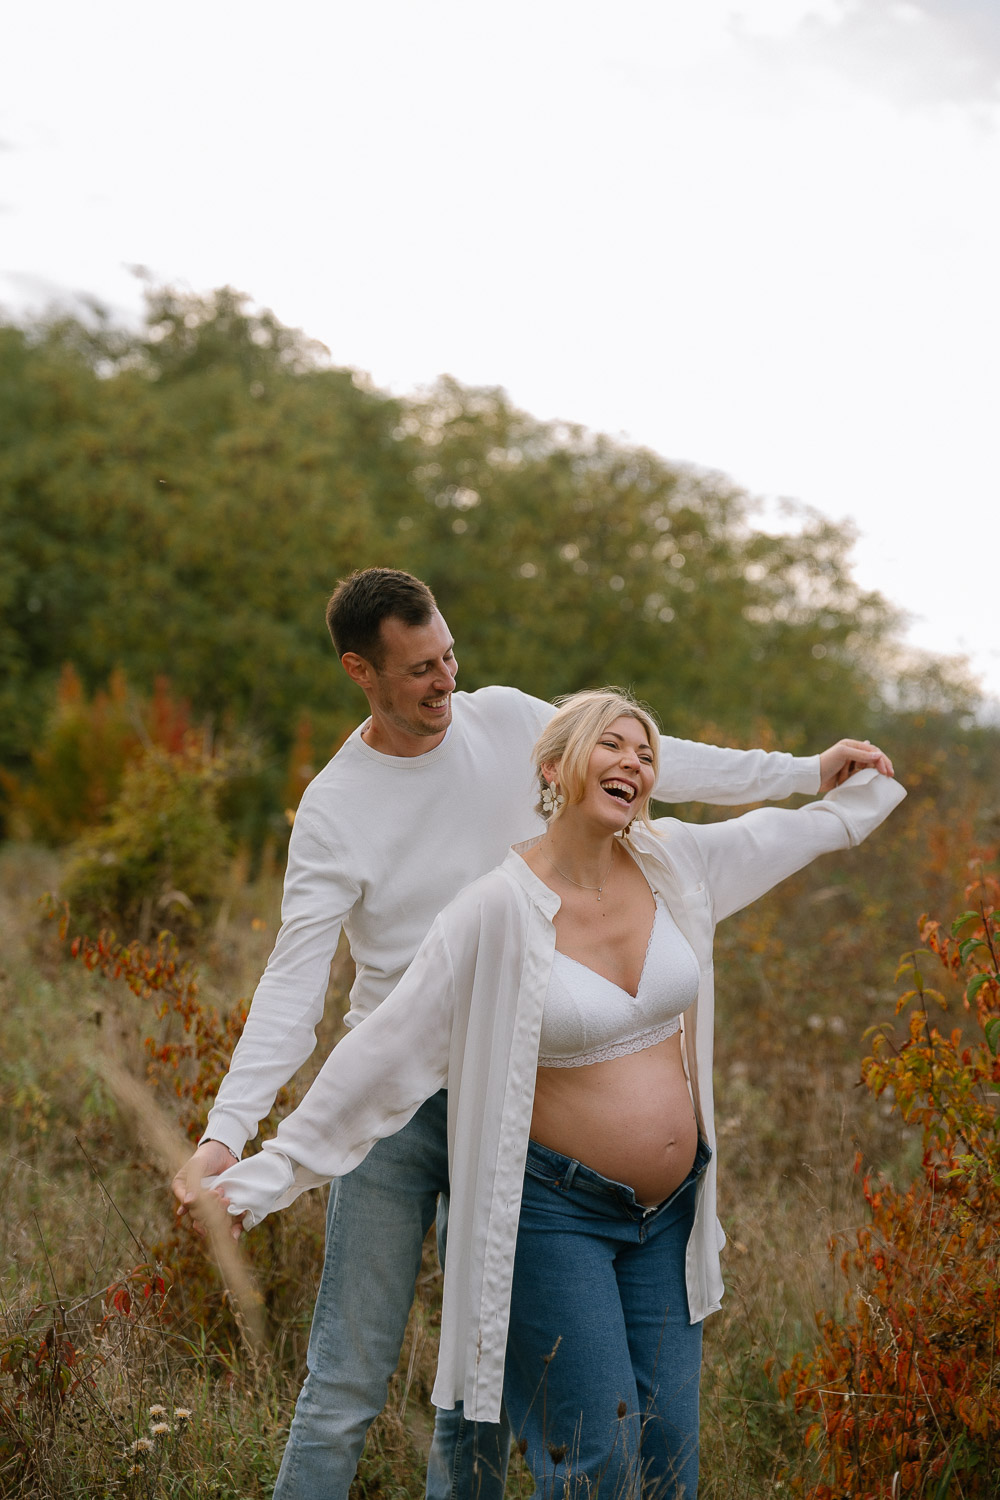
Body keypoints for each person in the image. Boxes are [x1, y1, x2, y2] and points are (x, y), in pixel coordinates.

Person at [172, 567, 895, 1500]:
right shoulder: (336, 807)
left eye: (450, 657)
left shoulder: (509, 721)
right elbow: (294, 982)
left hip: (524, 1088)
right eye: (420, 672)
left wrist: (802, 774)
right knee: (348, 1376)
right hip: (397, 1093)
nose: (445, 683)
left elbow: (643, 754)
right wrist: (230, 1138)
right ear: (361, 671)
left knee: (473, 1388)